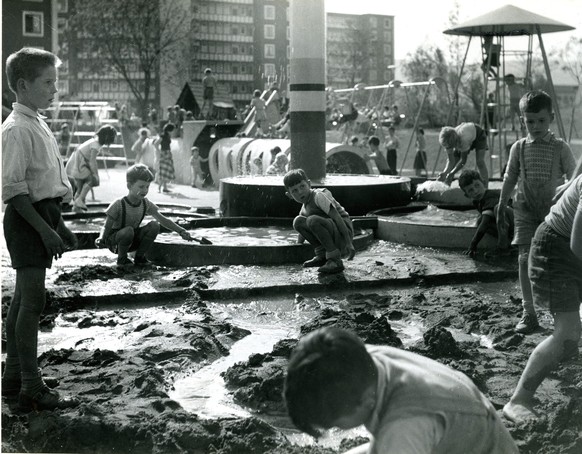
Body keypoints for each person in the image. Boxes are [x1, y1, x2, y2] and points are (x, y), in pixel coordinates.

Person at [284, 327, 519, 454]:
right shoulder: (362, 359)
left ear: (366, 401)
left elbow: (400, 437)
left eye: (335, 423)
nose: (334, 428)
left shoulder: (403, 428)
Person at [2, 47, 78, 411]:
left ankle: (13, 375)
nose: (55, 90)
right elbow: (14, 191)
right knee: (33, 302)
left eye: (55, 82)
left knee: (21, 301)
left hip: (42, 216)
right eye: (47, 83)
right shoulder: (16, 129)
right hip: (26, 219)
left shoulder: (37, 121)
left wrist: (58, 224)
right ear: (22, 85)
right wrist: (44, 230)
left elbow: (48, 183)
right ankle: (31, 386)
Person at [503, 156, 582, 424]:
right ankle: (519, 400)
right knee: (568, 333)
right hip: (556, 248)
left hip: (573, 246)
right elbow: (577, 245)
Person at [497, 90, 576, 334]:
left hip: (553, 213)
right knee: (523, 259)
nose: (536, 126)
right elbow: (510, 176)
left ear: (551, 118)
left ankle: (558, 313)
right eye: (530, 121)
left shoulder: (560, 147)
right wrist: (501, 203)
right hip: (526, 210)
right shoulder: (519, 148)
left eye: (541, 121)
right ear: (523, 120)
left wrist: (566, 190)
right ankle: (528, 311)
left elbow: (575, 177)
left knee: (555, 261)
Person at [94, 164, 194, 267]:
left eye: (147, 186)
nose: (145, 190)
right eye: (141, 186)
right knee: (128, 230)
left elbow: (163, 220)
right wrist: (101, 238)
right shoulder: (119, 204)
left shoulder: (145, 204)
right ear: (129, 186)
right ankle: (122, 259)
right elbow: (106, 226)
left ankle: (140, 257)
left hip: (132, 240)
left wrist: (181, 231)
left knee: (154, 225)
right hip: (114, 242)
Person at [283, 169, 355, 274]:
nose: (300, 192)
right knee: (298, 221)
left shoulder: (318, 196)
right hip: (333, 233)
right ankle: (322, 255)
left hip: (343, 233)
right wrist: (298, 245)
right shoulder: (304, 207)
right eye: (294, 190)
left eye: (302, 186)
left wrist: (349, 243)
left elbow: (338, 218)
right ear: (289, 195)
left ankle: (335, 260)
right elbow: (302, 232)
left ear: (309, 183)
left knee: (312, 220)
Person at [458, 169, 513, 257]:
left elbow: (485, 222)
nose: (475, 191)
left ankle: (503, 248)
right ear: (467, 195)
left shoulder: (490, 196)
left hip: (518, 223)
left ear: (483, 183)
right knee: (479, 221)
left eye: (477, 185)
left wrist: (473, 245)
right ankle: (510, 243)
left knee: (497, 209)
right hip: (508, 225)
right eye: (470, 190)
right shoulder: (477, 201)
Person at [66, 124, 118, 212]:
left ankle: (76, 207)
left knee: (80, 186)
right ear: (106, 137)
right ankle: (79, 200)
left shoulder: (93, 142)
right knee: (92, 180)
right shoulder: (96, 145)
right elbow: (92, 161)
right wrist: (95, 173)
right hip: (80, 163)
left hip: (76, 162)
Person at [438, 122, 489, 186]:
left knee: (480, 162)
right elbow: (451, 161)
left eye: (451, 147)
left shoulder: (463, 139)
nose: (450, 149)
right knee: (455, 159)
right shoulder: (447, 141)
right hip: (463, 136)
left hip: (478, 134)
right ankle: (446, 184)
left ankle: (485, 186)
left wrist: (452, 173)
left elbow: (463, 161)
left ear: (454, 143)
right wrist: (445, 173)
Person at [153, 122, 176, 193]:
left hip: (167, 153)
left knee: (165, 171)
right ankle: (160, 188)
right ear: (170, 130)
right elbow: (156, 143)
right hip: (165, 153)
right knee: (164, 171)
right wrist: (159, 151)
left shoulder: (166, 135)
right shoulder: (163, 136)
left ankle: (164, 187)